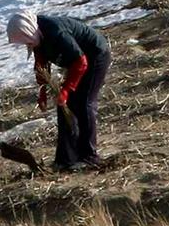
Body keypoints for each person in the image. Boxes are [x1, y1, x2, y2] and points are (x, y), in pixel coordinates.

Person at [7, 9, 111, 171]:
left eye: (27, 42)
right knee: (64, 107)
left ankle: (89, 156)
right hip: (75, 62)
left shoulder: (55, 32)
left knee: (84, 103)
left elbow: (80, 62)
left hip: (94, 55)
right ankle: (66, 158)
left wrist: (66, 90)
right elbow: (41, 64)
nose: (27, 45)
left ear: (29, 32)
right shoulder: (36, 34)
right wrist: (42, 92)